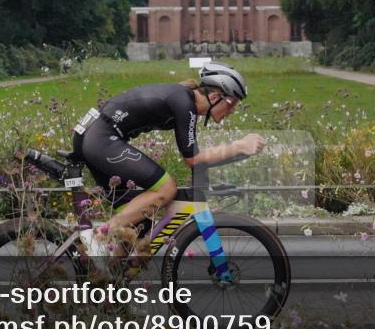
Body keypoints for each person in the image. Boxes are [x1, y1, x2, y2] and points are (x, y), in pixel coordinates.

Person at [72, 62, 264, 256]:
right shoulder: (184, 103)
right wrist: (239, 146)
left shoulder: (184, 101)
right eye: (232, 103)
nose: (232, 110)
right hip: (102, 140)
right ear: (215, 96)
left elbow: (194, 154)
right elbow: (193, 159)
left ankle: (108, 279)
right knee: (166, 189)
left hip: (97, 138)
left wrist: (235, 154)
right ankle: (97, 238)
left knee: (137, 226)